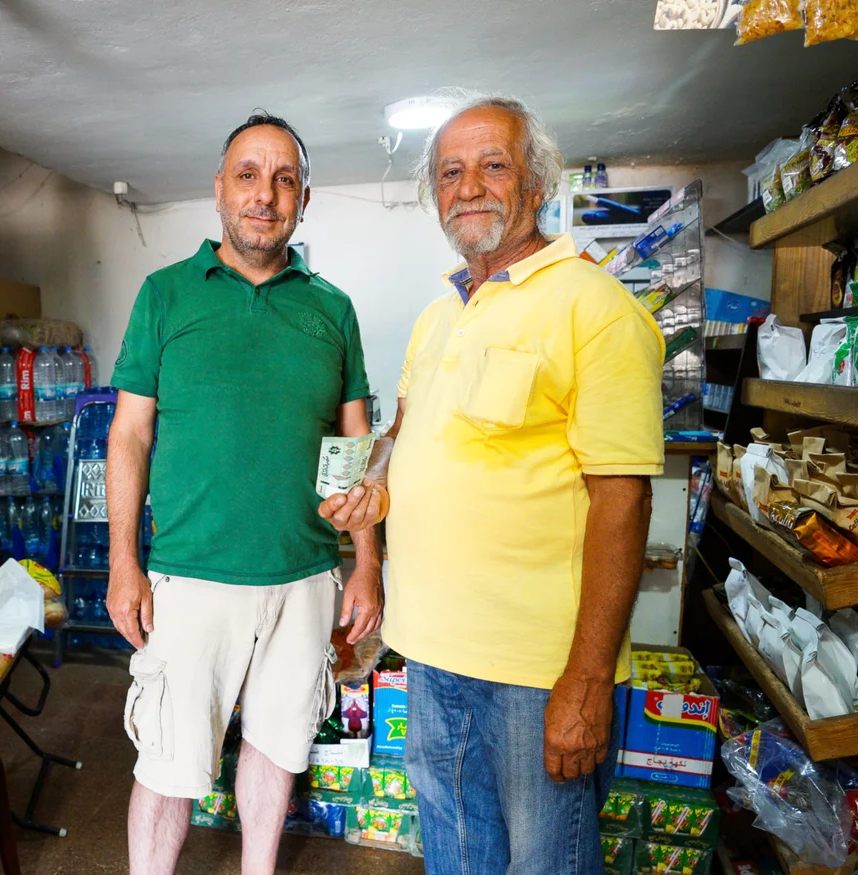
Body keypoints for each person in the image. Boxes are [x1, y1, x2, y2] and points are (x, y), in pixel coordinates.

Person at [321, 92, 664, 874]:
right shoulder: (436, 318)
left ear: (536, 183)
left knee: (543, 864)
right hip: (430, 654)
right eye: (450, 171)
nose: (468, 185)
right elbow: (403, 437)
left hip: (537, 677)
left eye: (492, 165)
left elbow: (624, 500)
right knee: (456, 856)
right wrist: (372, 486)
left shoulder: (595, 307)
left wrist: (584, 681)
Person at [107, 112, 384, 875]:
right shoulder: (165, 295)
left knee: (277, 744)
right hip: (190, 578)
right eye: (249, 175)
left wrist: (367, 563)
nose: (266, 194)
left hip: (304, 577)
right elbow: (127, 436)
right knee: (168, 764)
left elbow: (355, 451)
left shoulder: (332, 309)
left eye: (284, 178)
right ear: (220, 190)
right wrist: (121, 562)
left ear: (302, 197)